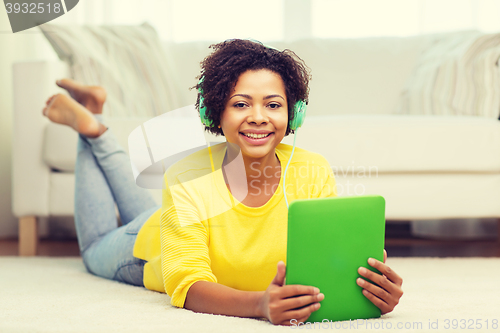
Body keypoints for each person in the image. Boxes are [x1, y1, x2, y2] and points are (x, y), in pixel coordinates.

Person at [42, 39, 403, 326]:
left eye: (273, 105)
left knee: (149, 208)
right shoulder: (186, 177)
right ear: (214, 112)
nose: (259, 118)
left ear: (294, 112)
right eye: (241, 104)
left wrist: (369, 288)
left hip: (176, 219)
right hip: (149, 247)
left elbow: (326, 258)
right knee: (92, 250)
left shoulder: (313, 169)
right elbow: (187, 285)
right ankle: (92, 126)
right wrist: (260, 304)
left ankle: (93, 110)